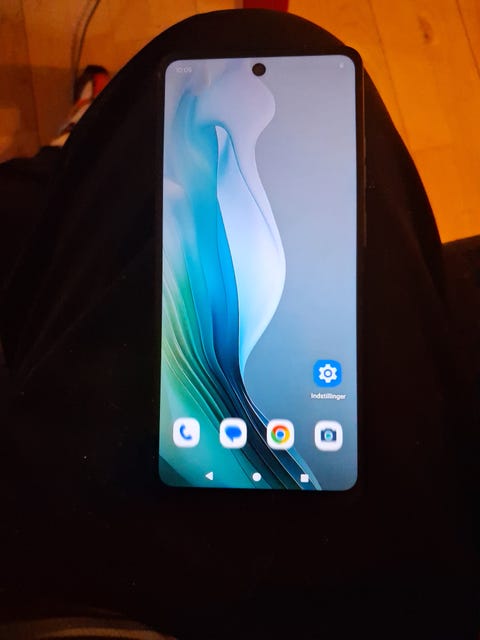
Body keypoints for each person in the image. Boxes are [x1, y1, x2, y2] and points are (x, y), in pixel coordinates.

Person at [0, 9, 478, 639]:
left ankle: (74, 144)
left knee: (61, 188)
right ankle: (76, 146)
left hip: (71, 571)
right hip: (383, 590)